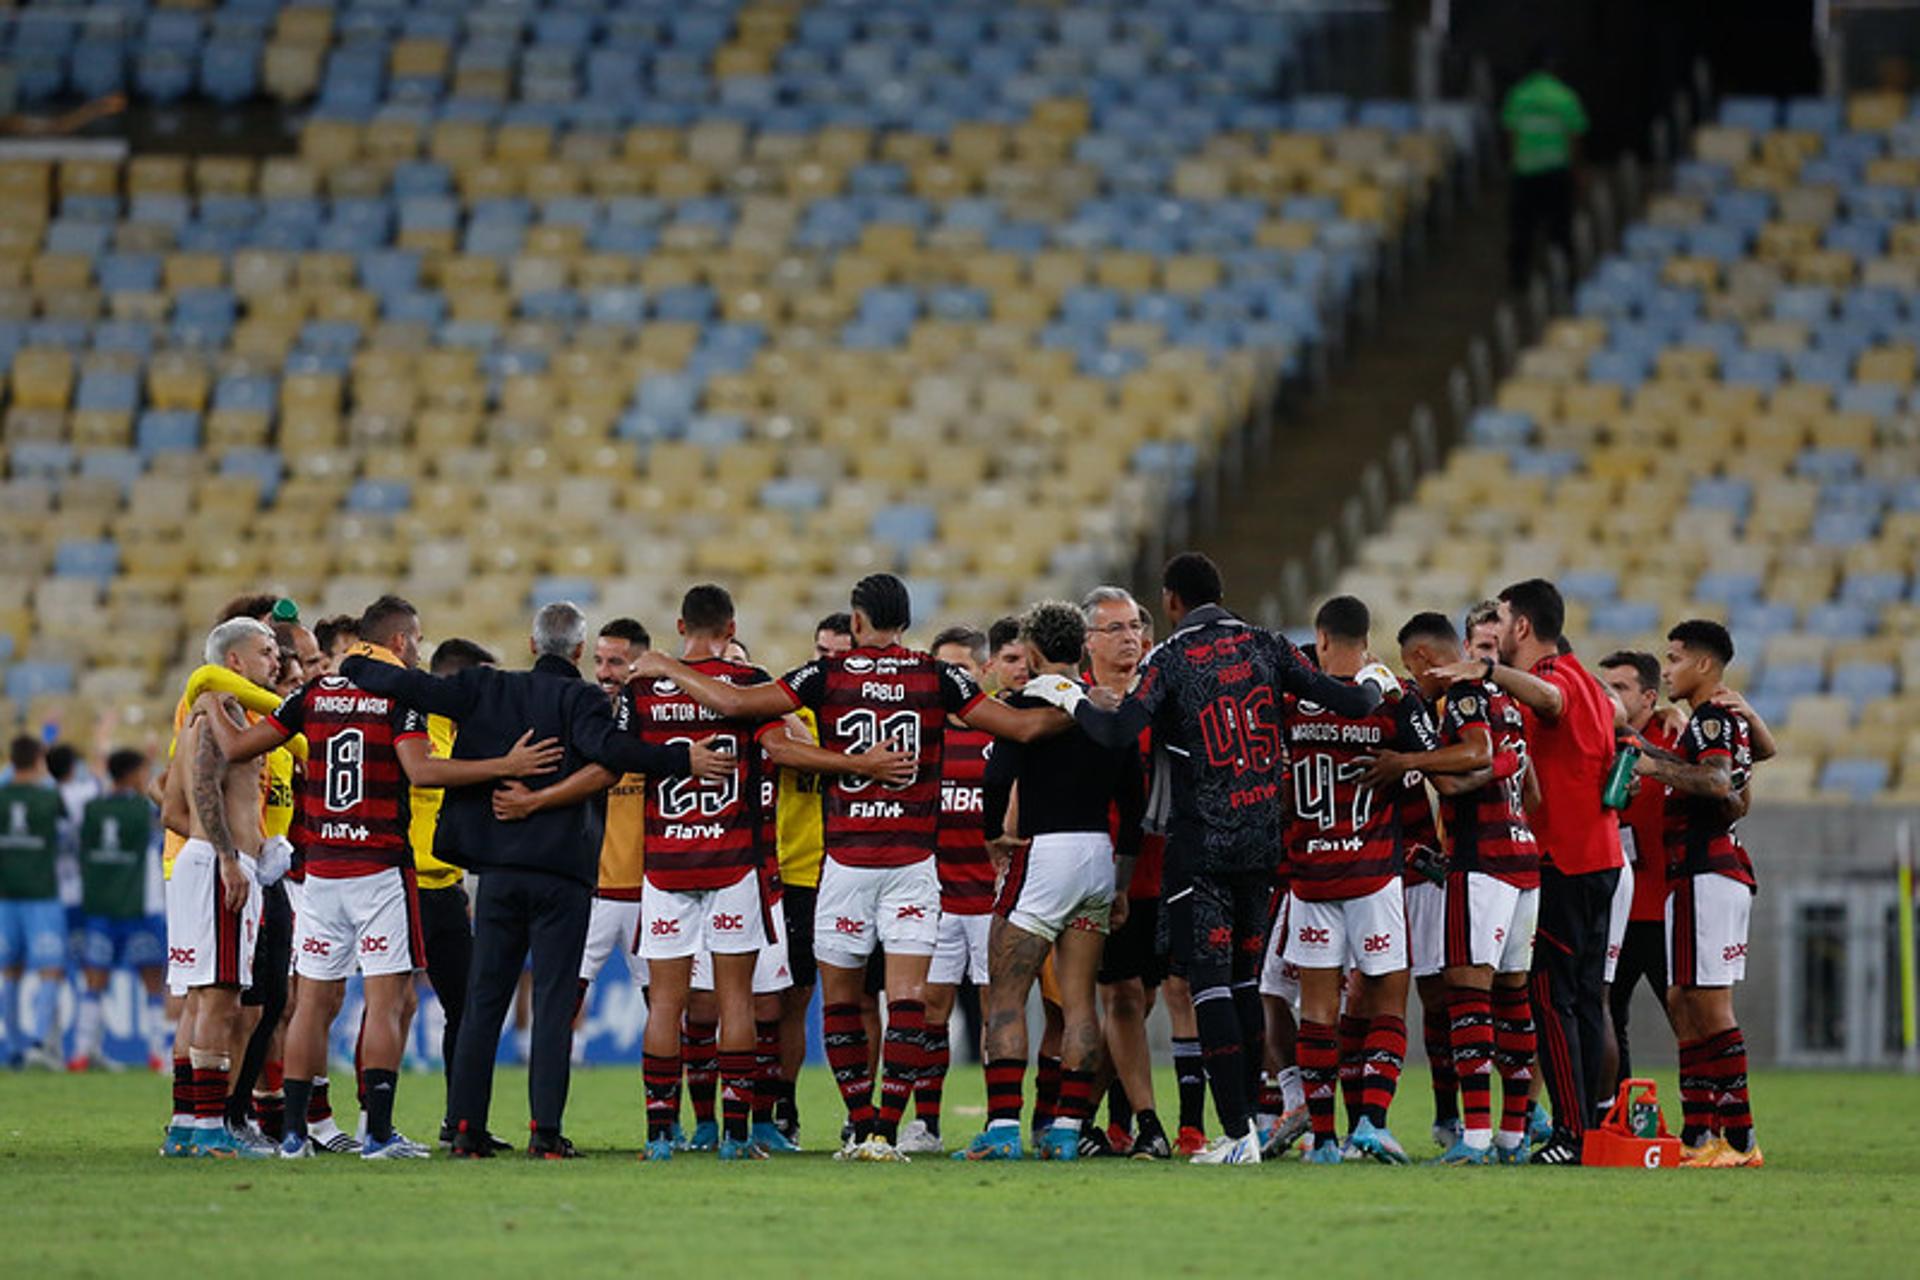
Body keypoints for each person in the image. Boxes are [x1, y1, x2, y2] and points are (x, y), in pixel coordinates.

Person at [633, 573, 1069, 1162]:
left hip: (845, 862)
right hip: (915, 862)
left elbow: (738, 708)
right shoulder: (937, 675)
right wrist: (1083, 704)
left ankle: (860, 1125)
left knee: (841, 1002)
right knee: (907, 1001)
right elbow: (1020, 726)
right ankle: (887, 1134)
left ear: (856, 621)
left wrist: (667, 665)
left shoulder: (828, 673)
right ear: (907, 622)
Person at [1023, 555, 1391, 1165]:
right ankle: (1253, 1117)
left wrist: (1066, 694)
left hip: (1201, 848)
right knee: (1244, 983)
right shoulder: (1268, 645)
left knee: (1210, 988)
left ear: (1170, 603)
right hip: (1263, 843)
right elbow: (1352, 703)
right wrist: (1380, 680)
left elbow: (1117, 734)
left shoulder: (1169, 659)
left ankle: (1238, 1132)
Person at [337, 601, 726, 1158]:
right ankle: (545, 1132)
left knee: (482, 1004)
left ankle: (466, 1129)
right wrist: (682, 759)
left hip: (496, 874)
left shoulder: (485, 688)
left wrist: (352, 664)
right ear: (577, 652)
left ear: (531, 645)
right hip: (562, 877)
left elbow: (417, 689)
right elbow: (615, 753)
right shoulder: (584, 699)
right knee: (551, 1003)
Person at [202, 597, 562, 1160]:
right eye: (416, 639)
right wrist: (504, 767)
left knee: (313, 1003)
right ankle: (377, 1134)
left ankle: (294, 1135)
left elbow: (236, 746)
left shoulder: (313, 695)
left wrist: (211, 695)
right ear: (400, 642)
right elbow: (421, 770)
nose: (419, 649)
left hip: (320, 870)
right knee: (388, 1001)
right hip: (379, 869)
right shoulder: (398, 695)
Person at [1273, 598, 1484, 1166]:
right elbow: (1447, 762)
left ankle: (1322, 1139)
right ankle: (1371, 1122)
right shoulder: (1392, 700)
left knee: (1318, 1010)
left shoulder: (1289, 700)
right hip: (1373, 873)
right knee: (1389, 1000)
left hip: (1311, 875)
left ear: (1320, 638)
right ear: (1366, 641)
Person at [1429, 579, 1622, 1165]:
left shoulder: (1560, 681)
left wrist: (1483, 674)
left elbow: (1549, 701)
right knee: (1587, 1002)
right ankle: (1588, 1126)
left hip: (1560, 860)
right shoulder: (1591, 680)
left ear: (1520, 627)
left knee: (1549, 1000)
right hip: (1601, 859)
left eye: (1504, 621)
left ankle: (1566, 1133)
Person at [957, 602, 1142, 1162]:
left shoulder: (1028, 701)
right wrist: (1122, 882)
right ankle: (1065, 1128)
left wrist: (994, 833)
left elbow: (997, 774)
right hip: (1096, 856)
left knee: (1007, 994)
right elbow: (1133, 804)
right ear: (1083, 647)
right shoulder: (1109, 709)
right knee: (1081, 1002)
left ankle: (1004, 1128)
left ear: (1033, 650)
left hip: (1045, 852)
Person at [1375, 613, 1541, 1164]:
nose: (1411, 678)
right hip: (1523, 859)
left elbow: (1470, 755)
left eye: (1409, 666)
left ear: (1423, 658)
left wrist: (1412, 761)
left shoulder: (1466, 694)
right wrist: (1487, 770)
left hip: (1483, 861)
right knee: (1514, 1001)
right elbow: (1530, 789)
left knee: (1467, 996)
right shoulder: (1509, 702)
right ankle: (1514, 1136)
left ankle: (1472, 1138)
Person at [1636, 621, 1762, 1168]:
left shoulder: (1712, 718)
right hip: (1704, 873)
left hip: (1705, 872)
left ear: (1704, 665)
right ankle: (1698, 1133)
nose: (1666, 669)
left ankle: (1739, 1139)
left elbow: (1715, 782)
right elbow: (1748, 769)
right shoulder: (1728, 718)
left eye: (1674, 658)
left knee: (1708, 1004)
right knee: (1682, 999)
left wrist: (1650, 764)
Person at [161, 619, 276, 1158]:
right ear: (234, 663)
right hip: (218, 870)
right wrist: (230, 856)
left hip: (202, 864)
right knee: (220, 1001)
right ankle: (210, 1131)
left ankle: (187, 1126)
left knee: (200, 1001)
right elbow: (205, 787)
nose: (273, 661)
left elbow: (170, 808)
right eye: (266, 651)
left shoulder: (202, 716)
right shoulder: (221, 713)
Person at [1079, 587, 1174, 1160]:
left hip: (1161, 868)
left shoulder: (1160, 699)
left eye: (1136, 625)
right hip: (1103, 868)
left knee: (1143, 1000)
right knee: (1120, 995)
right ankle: (1150, 1124)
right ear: (1088, 641)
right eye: (1115, 628)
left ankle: (1073, 1116)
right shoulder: (1076, 705)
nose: (1130, 637)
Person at [407, 637, 511, 1151]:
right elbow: (425, 774)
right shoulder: (414, 723)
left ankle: (460, 1121)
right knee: (387, 1003)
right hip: (400, 887)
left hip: (444, 888)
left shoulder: (452, 728)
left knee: (467, 1008)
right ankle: (360, 1123)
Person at [901, 624, 995, 1155]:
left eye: (960, 669)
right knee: (930, 1008)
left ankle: (999, 1120)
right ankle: (927, 1126)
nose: (951, 680)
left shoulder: (998, 734)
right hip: (934, 896)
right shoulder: (922, 735)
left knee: (994, 1012)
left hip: (988, 896)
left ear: (982, 671)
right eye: (942, 670)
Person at [769, 612, 855, 1145]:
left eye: (838, 656)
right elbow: (775, 746)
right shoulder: (790, 710)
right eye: (821, 654)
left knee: (860, 1003)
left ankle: (860, 1114)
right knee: (790, 999)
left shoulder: (866, 716)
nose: (826, 664)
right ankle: (783, 1108)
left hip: (858, 871)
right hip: (799, 874)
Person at [1597, 651, 1682, 1094]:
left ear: (1650, 696)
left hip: (1665, 908)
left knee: (1688, 1020)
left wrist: (1674, 715)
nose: (1609, 695)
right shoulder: (1599, 737)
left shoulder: (1674, 738)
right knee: (1609, 1016)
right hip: (1617, 909)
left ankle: (1708, 1124)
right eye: (1605, 686)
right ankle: (1617, 1115)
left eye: (1621, 688)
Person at [70, 750, 163, 1072]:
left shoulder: (92, 809)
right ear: (132, 774)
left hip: (100, 906)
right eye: (144, 771)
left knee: (94, 981)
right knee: (153, 981)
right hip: (141, 908)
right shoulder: (147, 809)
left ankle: (80, 1053)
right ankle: (157, 1054)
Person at [0, 736, 68, 1070]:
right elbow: (68, 838)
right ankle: (40, 1045)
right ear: (39, 759)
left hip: (5, 896)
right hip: (42, 895)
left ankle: (12, 1047)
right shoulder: (49, 796)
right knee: (50, 971)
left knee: (9, 970)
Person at [1502, 46, 1587, 290]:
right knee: (1559, 229)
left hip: (1525, 170)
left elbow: (1510, 133)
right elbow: (1575, 137)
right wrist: (1578, 170)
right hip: (1555, 171)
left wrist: (1514, 162)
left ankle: (1518, 278)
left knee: (1522, 229)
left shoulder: (1519, 95)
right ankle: (1563, 279)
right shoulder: (1564, 96)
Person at [985, 616, 1031, 693]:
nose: (1024, 666)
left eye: (1031, 659)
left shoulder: (1056, 701)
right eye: (1012, 660)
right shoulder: (980, 704)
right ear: (991, 665)